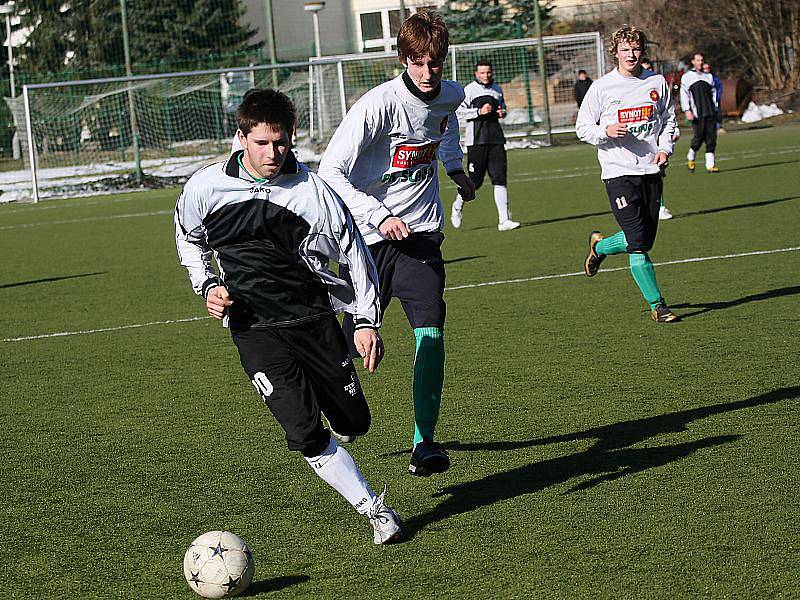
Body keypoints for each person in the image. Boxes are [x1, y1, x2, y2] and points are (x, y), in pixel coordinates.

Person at [174, 89, 402, 545]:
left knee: (355, 423)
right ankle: (374, 509)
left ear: (291, 137)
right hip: (253, 328)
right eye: (261, 143)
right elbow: (187, 236)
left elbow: (356, 257)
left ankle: (344, 420)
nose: (272, 153)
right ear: (241, 138)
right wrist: (208, 286)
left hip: (313, 320)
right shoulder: (205, 187)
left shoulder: (313, 192)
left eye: (280, 142)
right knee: (302, 431)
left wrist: (364, 321)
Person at [318, 11, 476, 477]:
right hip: (367, 240)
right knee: (351, 342)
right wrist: (378, 215)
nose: (428, 74)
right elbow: (331, 172)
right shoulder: (376, 106)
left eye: (435, 63)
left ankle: (424, 442)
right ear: (404, 59)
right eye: (419, 63)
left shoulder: (451, 94)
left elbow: (443, 131)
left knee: (431, 332)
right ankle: (338, 404)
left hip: (422, 235)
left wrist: (455, 170)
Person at [576, 25, 680, 323]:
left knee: (644, 238)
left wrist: (664, 150)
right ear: (615, 53)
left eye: (635, 49)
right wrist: (605, 132)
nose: (631, 55)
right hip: (618, 171)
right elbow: (582, 128)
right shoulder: (602, 87)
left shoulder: (657, 83)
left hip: (651, 170)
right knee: (637, 241)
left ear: (642, 51)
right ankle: (658, 306)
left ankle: (600, 247)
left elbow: (669, 123)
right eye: (625, 50)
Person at [451, 59, 519, 231]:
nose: (486, 75)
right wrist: (478, 112)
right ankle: (457, 206)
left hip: (496, 140)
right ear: (476, 74)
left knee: (500, 179)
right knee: (474, 182)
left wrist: (502, 112)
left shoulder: (497, 89)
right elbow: (458, 113)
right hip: (476, 142)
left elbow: (502, 107)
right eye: (482, 72)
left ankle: (504, 221)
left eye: (488, 72)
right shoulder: (469, 90)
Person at [641, 57, 674, 221]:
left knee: (657, 174)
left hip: (656, 141)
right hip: (637, 145)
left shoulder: (657, 86)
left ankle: (660, 206)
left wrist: (671, 134)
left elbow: (667, 114)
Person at [680, 52, 719, 173]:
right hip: (697, 113)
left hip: (710, 112)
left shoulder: (709, 77)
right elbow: (684, 94)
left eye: (702, 60)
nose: (700, 63)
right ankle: (691, 157)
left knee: (711, 138)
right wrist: (687, 110)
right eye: (698, 60)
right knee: (699, 137)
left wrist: (715, 106)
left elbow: (713, 93)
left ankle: (710, 165)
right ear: (693, 62)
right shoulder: (687, 77)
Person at [702, 61, 725, 132]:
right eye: (705, 68)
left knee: (716, 112)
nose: (706, 70)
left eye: (708, 68)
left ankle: (718, 126)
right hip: (704, 99)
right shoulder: (700, 78)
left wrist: (717, 96)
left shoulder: (714, 78)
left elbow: (719, 87)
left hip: (714, 99)